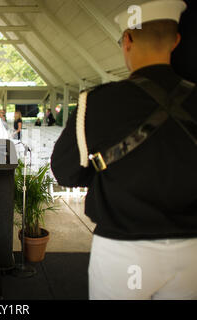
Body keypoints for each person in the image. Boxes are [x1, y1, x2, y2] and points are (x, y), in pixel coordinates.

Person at [51, 0, 197, 300]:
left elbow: (65, 171)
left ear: (127, 40)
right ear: (176, 40)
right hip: (192, 248)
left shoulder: (98, 103)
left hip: (124, 252)